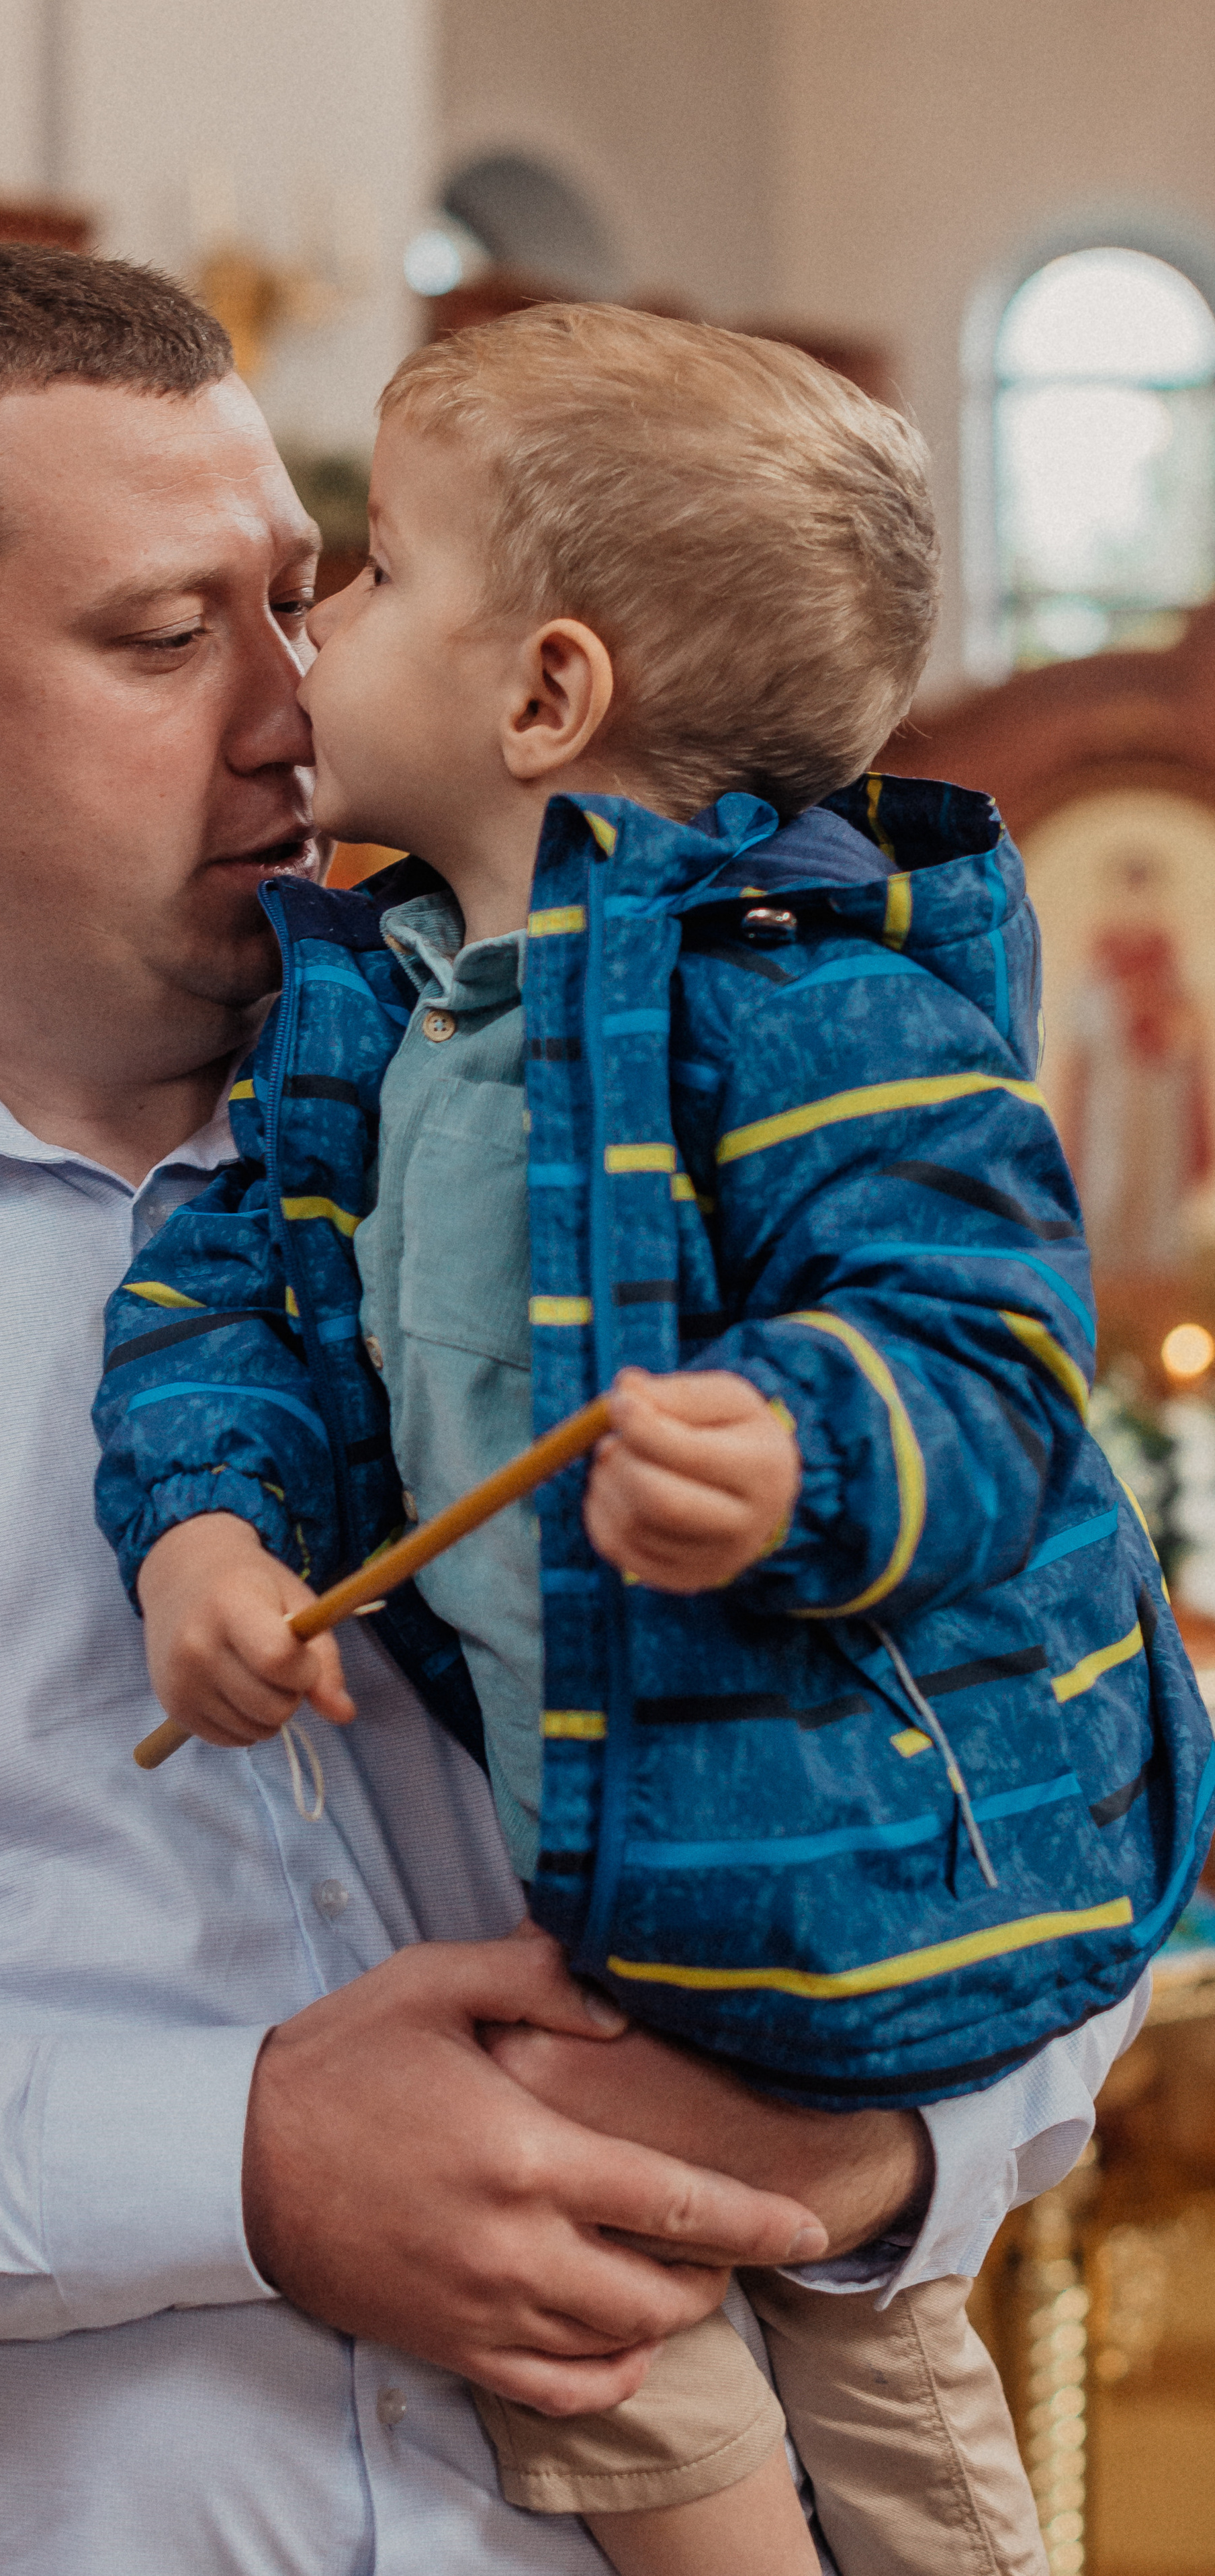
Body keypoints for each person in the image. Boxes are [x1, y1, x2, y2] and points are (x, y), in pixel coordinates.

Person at [0, 247, 1142, 2576]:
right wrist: (235, 2161)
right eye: (169, 637)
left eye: (308, 592)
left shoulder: (668, 1096)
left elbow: (1061, 1739)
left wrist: (871, 2146)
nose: (293, 702)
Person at [95, 305, 1214, 2574]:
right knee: (599, 2309)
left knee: (837, 2356)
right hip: (604, 1856)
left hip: (840, 1842)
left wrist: (802, 1451)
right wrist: (204, 1530)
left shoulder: (817, 1000)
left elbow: (987, 1356)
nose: (315, 628)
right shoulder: (371, 1001)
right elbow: (231, 1297)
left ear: (547, 696)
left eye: (375, 572)